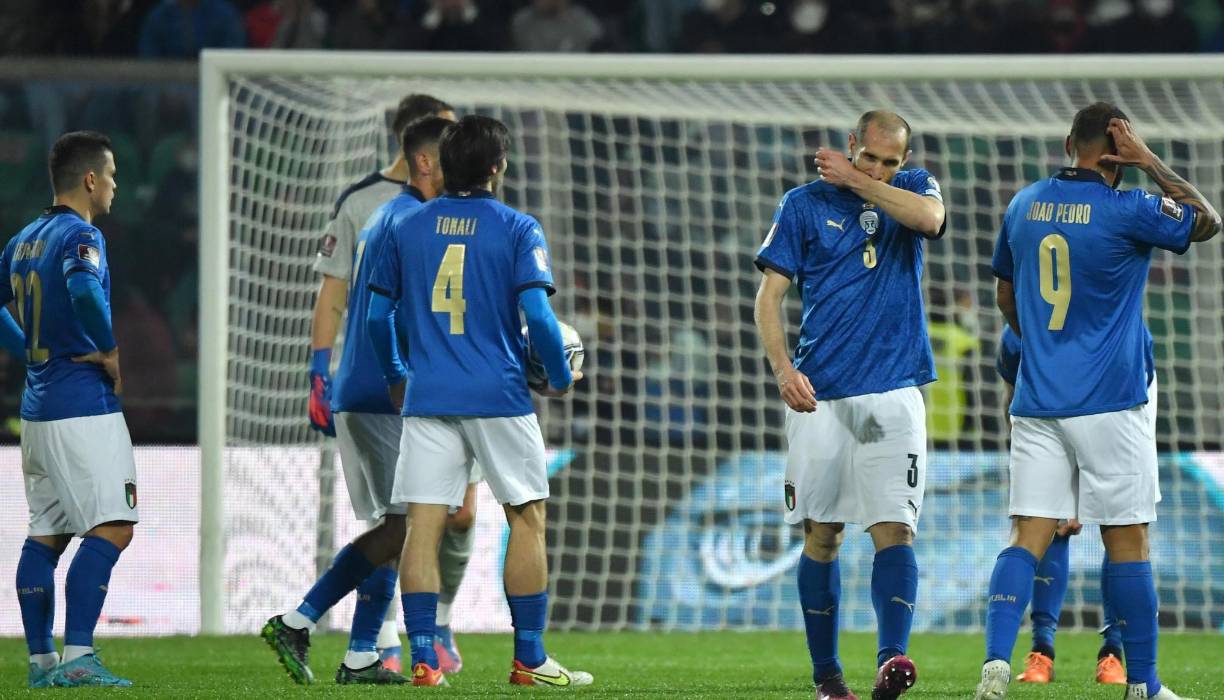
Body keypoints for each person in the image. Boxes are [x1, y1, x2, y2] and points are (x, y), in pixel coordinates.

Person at [976, 102, 1220, 700]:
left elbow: (1005, 290)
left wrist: (1041, 345)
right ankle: (1144, 684)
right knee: (1127, 541)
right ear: (1118, 151)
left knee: (1026, 534)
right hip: (1112, 399)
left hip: (1038, 397)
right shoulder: (1130, 207)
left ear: (1067, 142)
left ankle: (995, 667)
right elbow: (1208, 221)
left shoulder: (1023, 203)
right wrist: (1151, 162)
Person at [366, 115, 591, 688]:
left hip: (429, 395)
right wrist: (560, 375)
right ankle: (530, 660)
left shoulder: (407, 227)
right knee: (527, 519)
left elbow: (374, 317)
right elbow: (538, 316)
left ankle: (421, 660)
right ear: (498, 167)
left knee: (423, 526)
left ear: (443, 166)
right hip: (499, 394)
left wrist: (397, 373)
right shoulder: (518, 228)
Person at [754, 110, 946, 700]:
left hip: (892, 392)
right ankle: (828, 679)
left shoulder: (912, 190)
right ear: (850, 144)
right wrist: (783, 370)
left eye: (893, 160)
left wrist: (862, 182)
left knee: (895, 531)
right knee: (824, 535)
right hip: (823, 398)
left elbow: (932, 221)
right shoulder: (802, 204)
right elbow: (769, 298)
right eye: (871, 157)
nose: (882, 168)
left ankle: (892, 661)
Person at [263, 116, 457, 686]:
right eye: (449, 160)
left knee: (397, 525)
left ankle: (360, 654)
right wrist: (401, 376)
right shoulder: (414, 219)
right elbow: (387, 313)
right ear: (424, 162)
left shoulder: (387, 214)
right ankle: (299, 620)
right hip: (381, 395)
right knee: (408, 523)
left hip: (369, 392)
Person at [305, 93, 471, 675]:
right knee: (403, 523)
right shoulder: (382, 209)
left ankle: (387, 640)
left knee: (424, 520)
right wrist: (317, 370)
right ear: (420, 148)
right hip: (386, 387)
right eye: (449, 142)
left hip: (428, 388)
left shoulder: (450, 201)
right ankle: (359, 641)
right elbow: (345, 297)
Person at [1, 131, 137, 688]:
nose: (114, 185)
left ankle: (40, 663)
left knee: (47, 533)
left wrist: (30, 352)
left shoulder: (24, 238)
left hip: (38, 410)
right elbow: (83, 291)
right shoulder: (82, 235)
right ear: (88, 180)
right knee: (113, 526)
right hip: (83, 405)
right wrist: (107, 348)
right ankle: (79, 654)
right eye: (110, 175)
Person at [995, 323, 1128, 687]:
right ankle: (1042, 652)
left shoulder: (1113, 333)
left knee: (1119, 522)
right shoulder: (1014, 341)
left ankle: (1114, 653)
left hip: (1119, 402)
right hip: (1043, 414)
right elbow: (1014, 405)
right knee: (1046, 520)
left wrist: (1084, 488)